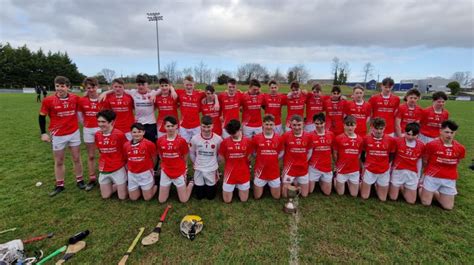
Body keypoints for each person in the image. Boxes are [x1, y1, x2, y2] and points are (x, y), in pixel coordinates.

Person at [39, 76, 84, 196]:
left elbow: (86, 103)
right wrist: (43, 133)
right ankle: (60, 185)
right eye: (57, 86)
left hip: (74, 132)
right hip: (58, 134)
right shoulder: (48, 100)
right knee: (59, 161)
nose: (59, 88)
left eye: (62, 86)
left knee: (76, 158)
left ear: (68, 87)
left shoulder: (75, 98)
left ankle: (80, 180)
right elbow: (42, 117)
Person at [420, 120, 465, 210]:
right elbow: (425, 161)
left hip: (449, 178)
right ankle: (421, 187)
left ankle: (435, 192)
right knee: (426, 203)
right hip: (432, 176)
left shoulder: (460, 148)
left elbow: (457, 161)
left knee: (448, 207)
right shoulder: (431, 145)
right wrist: (426, 173)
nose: (449, 135)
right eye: (447, 132)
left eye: (452, 132)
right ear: (441, 131)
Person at [156, 116, 194, 203]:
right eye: (168, 126)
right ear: (164, 127)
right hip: (166, 170)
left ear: (176, 126)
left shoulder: (182, 141)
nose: (170, 128)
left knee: (184, 200)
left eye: (172, 126)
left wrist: (184, 168)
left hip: (179, 170)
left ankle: (191, 182)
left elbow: (185, 156)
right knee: (161, 200)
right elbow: (161, 156)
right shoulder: (160, 140)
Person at [360, 118, 396, 201]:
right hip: (369, 169)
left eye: (381, 128)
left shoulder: (391, 140)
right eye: (376, 128)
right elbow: (362, 154)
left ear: (384, 128)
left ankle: (376, 184)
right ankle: (366, 182)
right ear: (372, 127)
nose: (379, 131)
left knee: (382, 199)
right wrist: (365, 165)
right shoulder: (366, 139)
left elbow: (391, 155)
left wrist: (385, 164)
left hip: (383, 170)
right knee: (364, 197)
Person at [95, 109, 128, 200]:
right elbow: (100, 150)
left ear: (111, 122)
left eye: (103, 122)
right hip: (104, 168)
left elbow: (126, 151)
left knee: (122, 197)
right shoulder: (97, 135)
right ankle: (117, 185)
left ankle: (124, 184)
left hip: (118, 167)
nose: (100, 124)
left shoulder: (119, 135)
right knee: (105, 196)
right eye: (99, 121)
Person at [218, 119, 253, 203]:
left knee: (244, 200)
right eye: (231, 133)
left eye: (234, 132)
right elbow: (222, 158)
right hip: (230, 174)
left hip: (243, 174)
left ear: (240, 129)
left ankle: (239, 186)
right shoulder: (225, 143)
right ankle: (234, 186)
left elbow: (249, 157)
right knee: (227, 200)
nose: (232, 135)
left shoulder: (248, 141)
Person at [389, 122, 425, 204]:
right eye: (408, 134)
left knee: (411, 201)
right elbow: (391, 157)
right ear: (405, 132)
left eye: (413, 135)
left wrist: (418, 175)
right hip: (398, 171)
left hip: (412, 173)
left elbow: (419, 161)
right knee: (393, 198)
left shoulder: (421, 145)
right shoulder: (397, 141)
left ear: (418, 135)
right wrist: (389, 170)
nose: (410, 137)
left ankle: (405, 187)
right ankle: (400, 186)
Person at [189, 115, 223, 200]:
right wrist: (196, 164)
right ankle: (192, 181)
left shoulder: (218, 139)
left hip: (211, 169)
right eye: (204, 126)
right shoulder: (194, 138)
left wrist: (215, 165)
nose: (206, 129)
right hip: (199, 169)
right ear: (200, 126)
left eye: (208, 127)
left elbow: (220, 155)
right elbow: (192, 153)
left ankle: (216, 177)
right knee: (199, 196)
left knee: (210, 197)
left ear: (212, 126)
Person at [176, 75, 219, 142]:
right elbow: (167, 88)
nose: (189, 87)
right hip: (183, 126)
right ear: (183, 84)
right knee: (184, 145)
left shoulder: (199, 93)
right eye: (187, 85)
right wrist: (172, 90)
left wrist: (216, 101)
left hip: (196, 126)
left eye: (190, 85)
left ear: (194, 85)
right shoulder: (179, 92)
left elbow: (212, 93)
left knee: (198, 145)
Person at [78, 77, 102, 191]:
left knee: (104, 154)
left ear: (97, 87)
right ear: (85, 88)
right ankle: (92, 178)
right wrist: (87, 124)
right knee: (91, 155)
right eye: (88, 88)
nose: (91, 89)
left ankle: (105, 175)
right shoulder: (82, 100)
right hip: (88, 130)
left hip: (102, 130)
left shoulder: (102, 98)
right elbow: (80, 116)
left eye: (93, 87)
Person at [123, 123, 157, 201]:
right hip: (132, 174)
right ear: (131, 133)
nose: (137, 134)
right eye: (134, 132)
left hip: (145, 173)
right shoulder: (126, 145)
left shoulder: (149, 144)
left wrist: (151, 168)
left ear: (144, 132)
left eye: (139, 132)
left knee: (147, 198)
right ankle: (142, 188)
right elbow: (126, 159)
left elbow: (154, 158)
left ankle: (155, 186)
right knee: (133, 198)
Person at [252, 114, 283, 199]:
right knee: (257, 197)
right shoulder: (256, 138)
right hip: (260, 171)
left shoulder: (279, 138)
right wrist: (260, 158)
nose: (269, 127)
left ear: (274, 125)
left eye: (271, 124)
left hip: (274, 172)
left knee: (277, 197)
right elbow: (253, 152)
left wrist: (275, 157)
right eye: (267, 124)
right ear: (263, 124)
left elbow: (282, 151)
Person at [281, 115, 313, 198]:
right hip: (289, 169)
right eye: (294, 125)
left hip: (302, 168)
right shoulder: (285, 136)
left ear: (303, 124)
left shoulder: (308, 136)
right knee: (285, 195)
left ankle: (296, 183)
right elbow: (281, 151)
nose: (297, 127)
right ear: (290, 125)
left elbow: (310, 151)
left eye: (299, 125)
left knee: (304, 195)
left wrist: (305, 160)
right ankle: (293, 182)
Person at [333, 115, 364, 197]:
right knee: (340, 193)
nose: (350, 128)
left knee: (354, 194)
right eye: (348, 125)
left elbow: (359, 155)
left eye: (352, 125)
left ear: (356, 125)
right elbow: (335, 154)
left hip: (354, 170)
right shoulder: (338, 138)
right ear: (344, 125)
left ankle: (352, 181)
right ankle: (335, 177)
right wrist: (338, 164)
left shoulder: (360, 139)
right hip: (342, 169)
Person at [308, 113, 335, 195]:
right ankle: (317, 178)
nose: (319, 125)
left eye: (321, 123)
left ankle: (321, 180)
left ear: (325, 122)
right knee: (309, 191)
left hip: (327, 167)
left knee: (327, 193)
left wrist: (335, 164)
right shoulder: (310, 135)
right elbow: (308, 152)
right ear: (313, 123)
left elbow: (333, 151)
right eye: (316, 123)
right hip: (314, 167)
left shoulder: (331, 134)